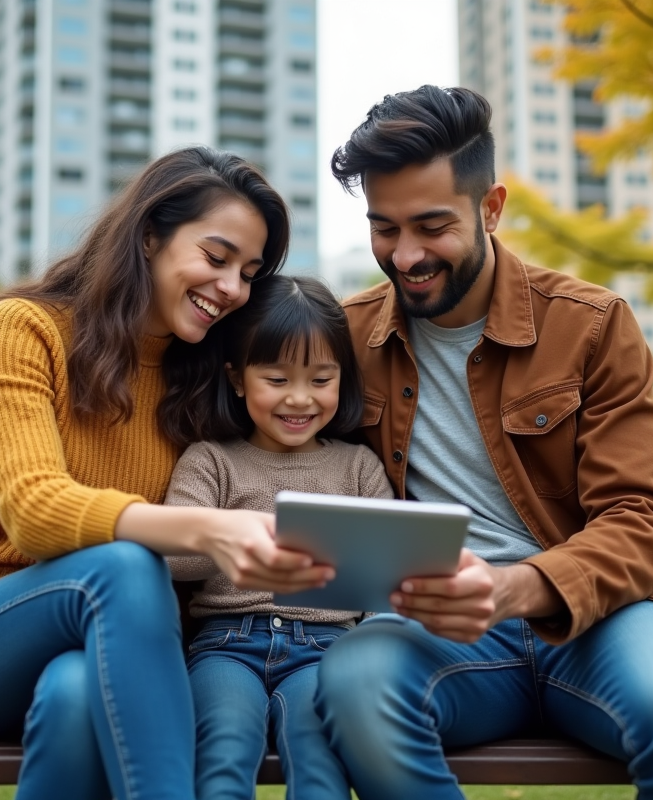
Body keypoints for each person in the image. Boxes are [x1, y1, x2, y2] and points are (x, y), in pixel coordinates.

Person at [313, 86, 653, 800]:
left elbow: (642, 522)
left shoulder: (592, 325)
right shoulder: (345, 337)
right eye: (385, 228)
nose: (405, 254)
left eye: (431, 226)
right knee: (356, 686)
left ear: (492, 208)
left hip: (604, 623)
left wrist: (515, 588)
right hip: (436, 635)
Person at [0, 147, 333, 800]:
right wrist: (209, 529)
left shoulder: (205, 378)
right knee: (127, 564)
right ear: (150, 234)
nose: (233, 289)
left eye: (248, 272)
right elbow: (33, 511)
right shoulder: (24, 330)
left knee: (75, 694)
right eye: (216, 258)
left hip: (109, 655)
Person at [164, 274, 393, 800]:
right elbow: (175, 559)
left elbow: (386, 573)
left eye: (320, 380)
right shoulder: (212, 461)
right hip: (226, 645)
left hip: (326, 649)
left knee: (319, 756)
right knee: (223, 746)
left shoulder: (357, 467)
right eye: (276, 378)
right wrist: (231, 539)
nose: (299, 399)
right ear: (239, 379)